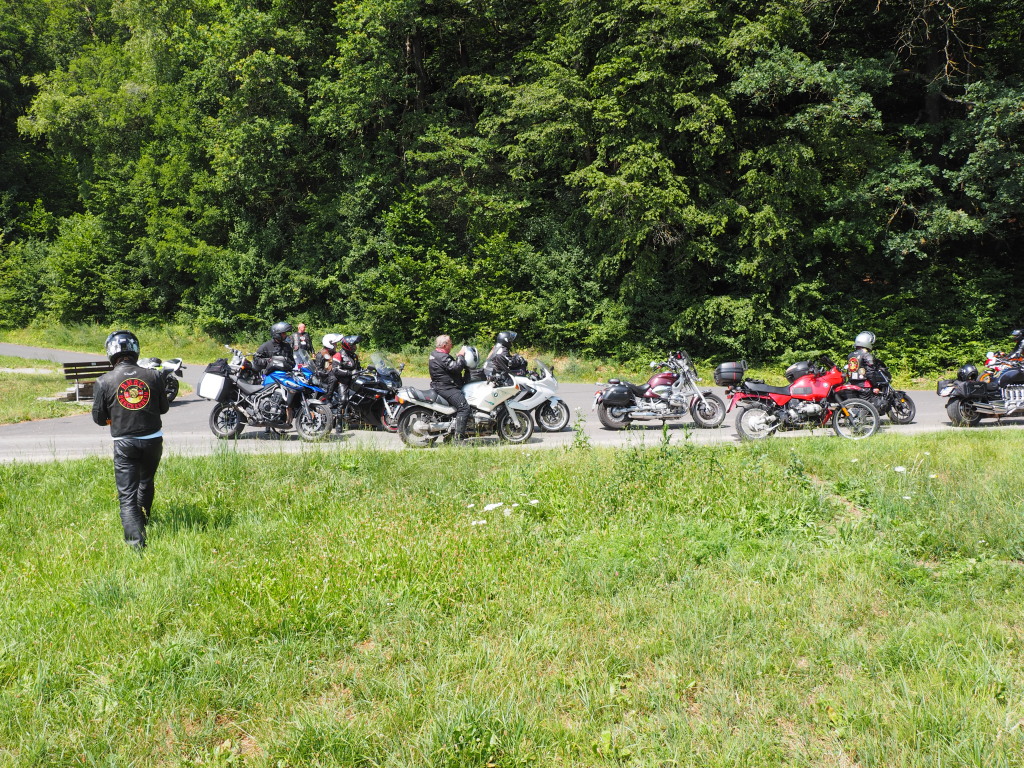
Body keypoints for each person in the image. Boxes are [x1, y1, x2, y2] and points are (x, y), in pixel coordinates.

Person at [91, 330, 170, 550]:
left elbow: (99, 419)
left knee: (127, 496)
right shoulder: (154, 376)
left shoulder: (103, 381)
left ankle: (136, 545)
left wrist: (113, 417)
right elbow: (164, 408)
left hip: (124, 442)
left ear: (110, 352)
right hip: (153, 440)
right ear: (135, 350)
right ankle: (143, 521)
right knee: (146, 482)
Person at [429, 334, 470, 440]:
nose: (452, 345)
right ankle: (459, 439)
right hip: (446, 388)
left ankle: (449, 436)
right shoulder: (442, 357)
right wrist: (460, 356)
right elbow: (456, 368)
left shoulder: (435, 354)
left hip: (439, 385)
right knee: (464, 408)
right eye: (450, 343)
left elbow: (449, 366)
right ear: (444, 345)